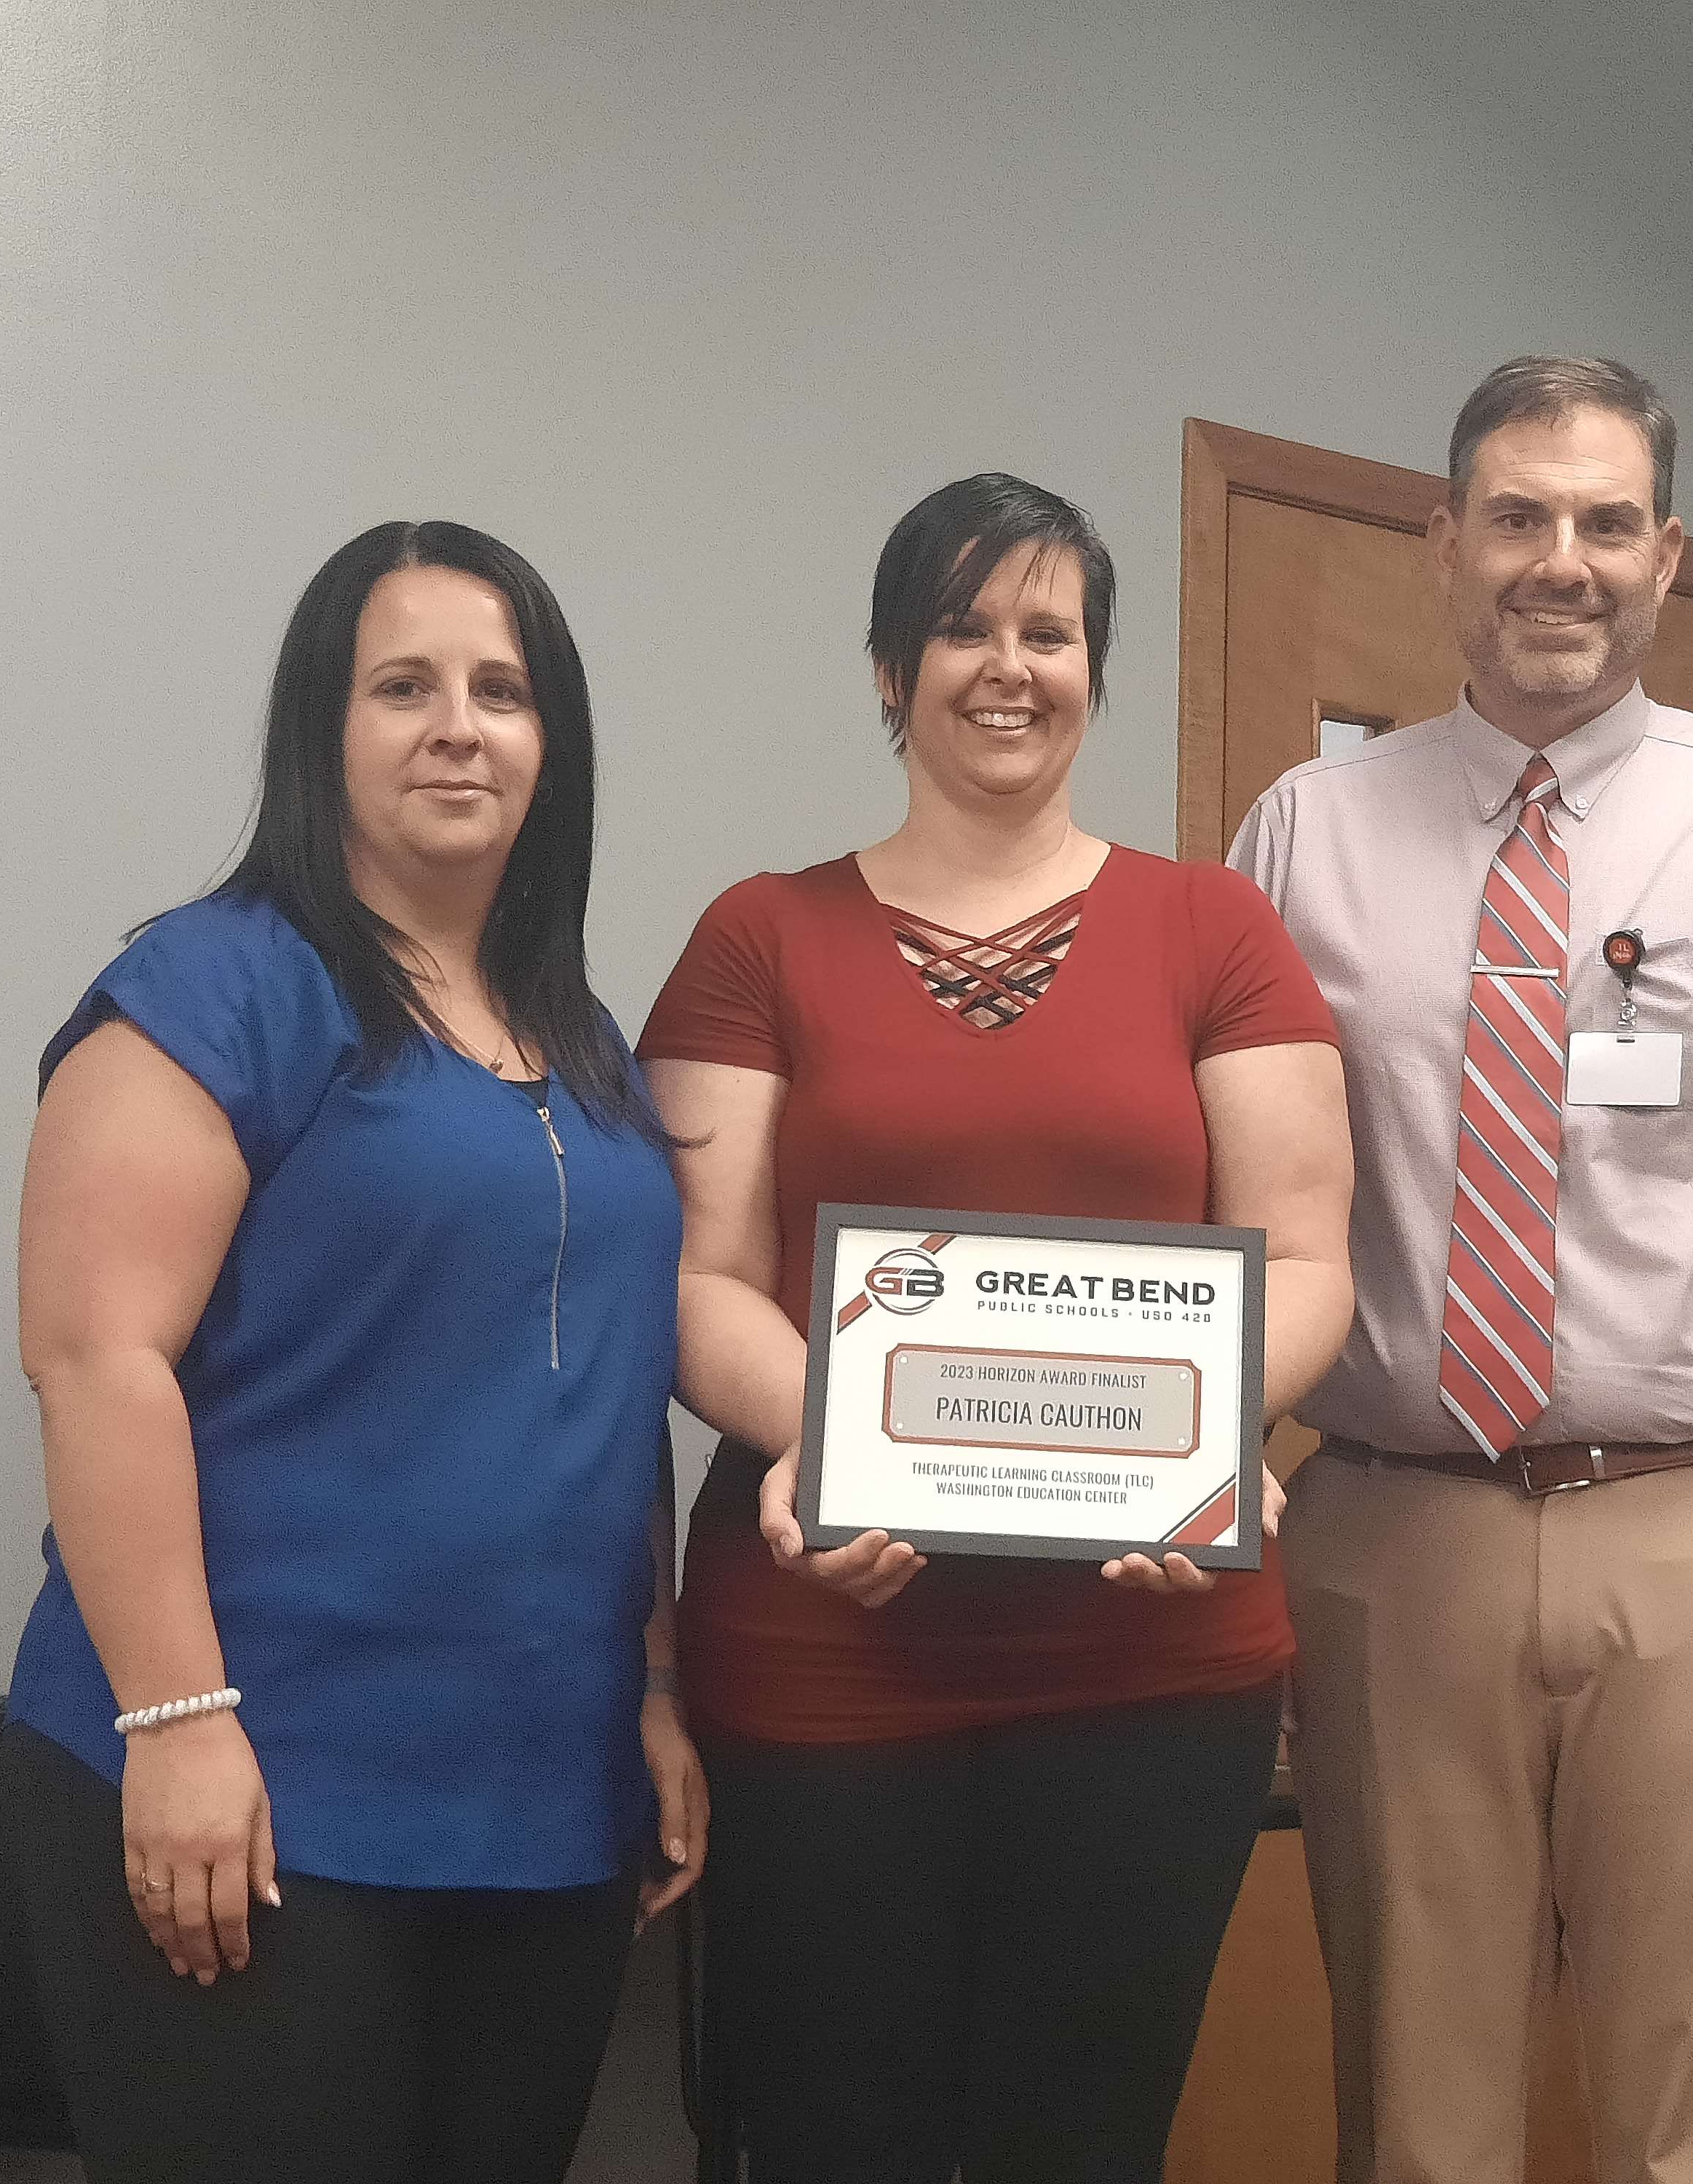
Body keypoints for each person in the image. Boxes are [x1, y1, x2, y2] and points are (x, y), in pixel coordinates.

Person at [1229, 357, 1693, 2184]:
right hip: (1394, 1539)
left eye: (1602, 522)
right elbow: (1232, 1204)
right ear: (1442, 544)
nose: (1557, 560)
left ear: (1665, 556)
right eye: (1515, 516)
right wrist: (1210, 1484)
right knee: (1414, 2128)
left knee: (1691, 2137)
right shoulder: (1302, 833)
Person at [638, 472, 1355, 2184]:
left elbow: (1308, 1259)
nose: (1008, 666)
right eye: (962, 627)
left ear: (1095, 668)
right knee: (829, 2138)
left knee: (1083, 2141)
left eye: (1050, 630)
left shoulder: (1216, 932)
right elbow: (695, 1279)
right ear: (891, 669)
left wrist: (1197, 1447)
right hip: (826, 1644)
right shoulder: (759, 936)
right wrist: (842, 1444)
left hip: (1150, 1658)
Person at [0, 521, 702, 2184]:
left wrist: (657, 1686)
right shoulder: (214, 986)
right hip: (259, 1786)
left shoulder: (583, 1042)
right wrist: (178, 1722)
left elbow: (608, 1397)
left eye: (501, 691)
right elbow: (95, 1356)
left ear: (551, 743)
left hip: (543, 1801)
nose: (459, 728)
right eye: (404, 687)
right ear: (323, 729)